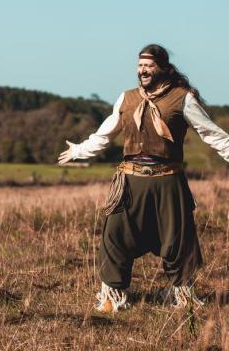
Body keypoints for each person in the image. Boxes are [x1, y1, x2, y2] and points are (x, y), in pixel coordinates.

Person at [58, 44, 229, 312]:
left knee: (177, 239)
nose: (142, 71)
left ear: (162, 68)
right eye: (139, 66)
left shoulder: (182, 98)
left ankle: (181, 296)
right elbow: (105, 135)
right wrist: (79, 150)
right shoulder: (126, 99)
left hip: (167, 182)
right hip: (130, 181)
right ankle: (112, 296)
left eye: (148, 66)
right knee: (114, 235)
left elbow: (212, 134)